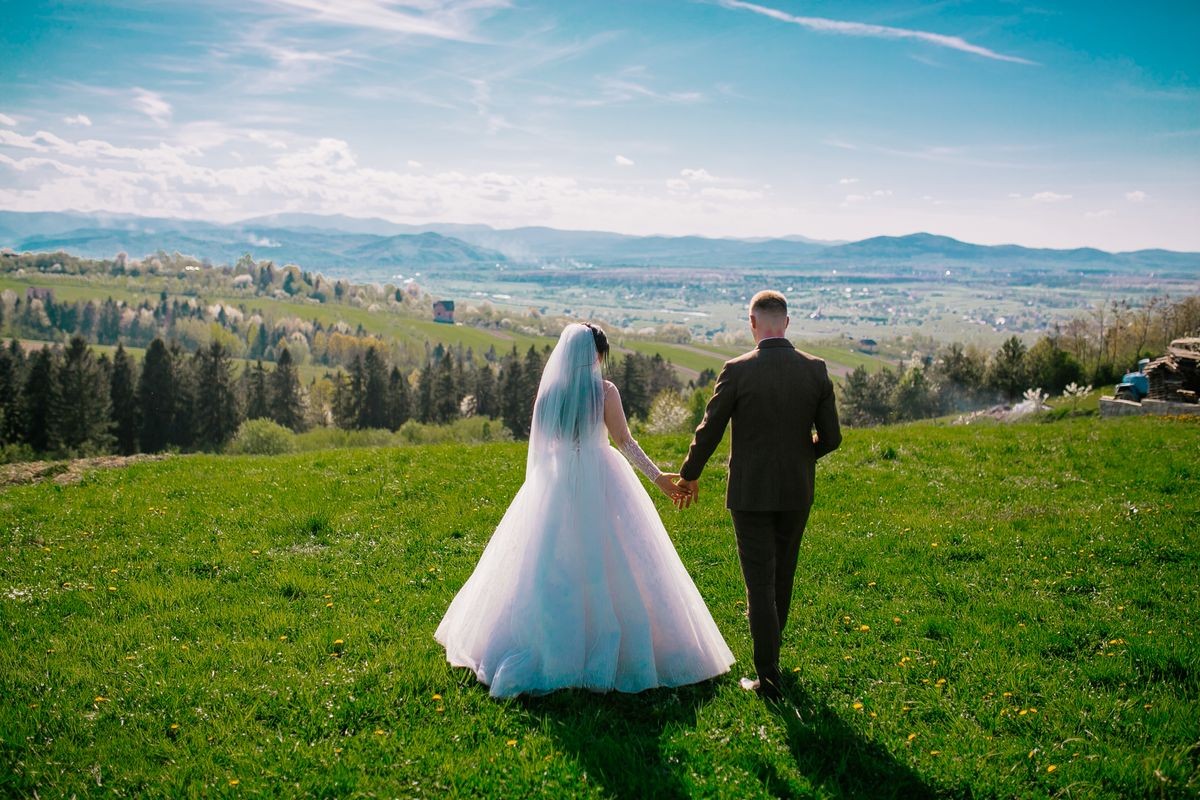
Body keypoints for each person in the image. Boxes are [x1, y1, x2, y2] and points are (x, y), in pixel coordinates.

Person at [435, 322, 734, 697]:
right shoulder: (605, 393)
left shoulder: (549, 395)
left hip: (556, 480)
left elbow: (542, 450)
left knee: (550, 560)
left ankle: (550, 640)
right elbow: (624, 441)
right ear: (595, 355)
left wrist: (547, 486)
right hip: (601, 476)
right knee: (616, 557)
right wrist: (658, 478)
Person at [676, 290, 841, 700]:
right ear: (786, 323)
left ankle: (767, 677)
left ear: (753, 324)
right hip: (796, 489)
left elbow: (709, 430)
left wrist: (689, 475)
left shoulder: (737, 370)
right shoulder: (816, 370)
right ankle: (771, 661)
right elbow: (833, 438)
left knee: (759, 584)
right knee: (781, 576)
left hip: (749, 491)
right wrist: (805, 456)